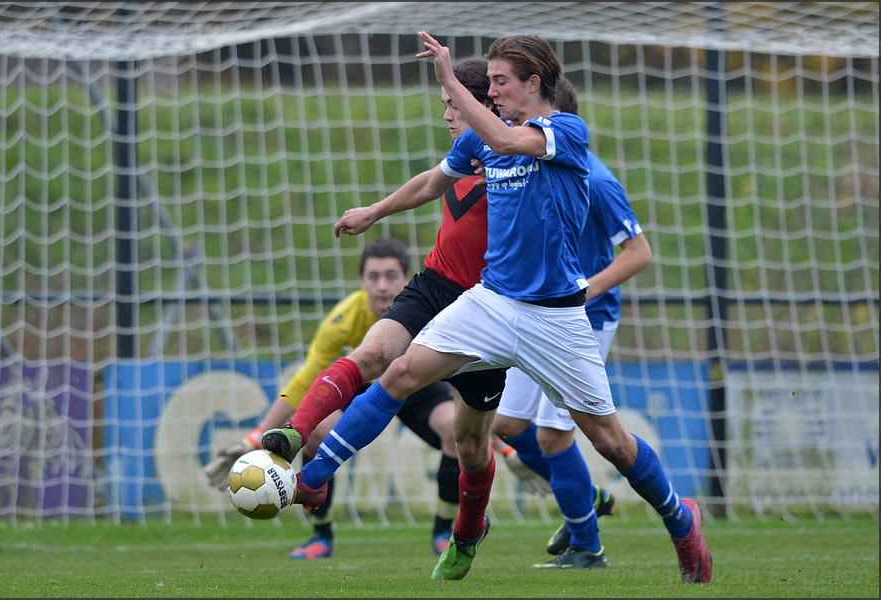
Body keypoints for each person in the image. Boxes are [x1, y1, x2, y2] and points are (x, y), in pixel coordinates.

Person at [289, 32, 712, 584]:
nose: (490, 92)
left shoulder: (565, 131)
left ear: (534, 83)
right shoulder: (485, 138)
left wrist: (448, 79)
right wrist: (375, 211)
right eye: (485, 83)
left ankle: (681, 522)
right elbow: (434, 180)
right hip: (490, 302)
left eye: (499, 82)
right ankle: (316, 474)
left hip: (555, 317)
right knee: (399, 372)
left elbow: (510, 144)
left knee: (609, 442)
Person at [260, 57, 614, 566]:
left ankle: (466, 534)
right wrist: (372, 212)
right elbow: (429, 183)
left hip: (489, 311)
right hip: (435, 285)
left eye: (453, 105)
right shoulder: (467, 152)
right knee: (376, 355)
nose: (447, 115)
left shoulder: (527, 161)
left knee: (472, 443)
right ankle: (297, 444)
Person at [203, 237, 462, 558]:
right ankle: (321, 536)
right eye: (374, 277)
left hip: (417, 385)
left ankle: (443, 529)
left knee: (454, 428)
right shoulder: (343, 320)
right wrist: (254, 438)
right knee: (317, 431)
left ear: (408, 278)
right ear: (361, 281)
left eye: (391, 276)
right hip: (363, 386)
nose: (382, 286)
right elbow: (305, 381)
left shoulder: (431, 309)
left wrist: (497, 441)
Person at [490, 75, 652, 559]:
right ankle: (586, 498)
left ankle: (588, 544)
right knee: (506, 423)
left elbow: (638, 252)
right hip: (541, 313)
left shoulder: (597, 179)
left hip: (587, 316)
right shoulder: (528, 166)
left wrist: (587, 290)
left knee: (554, 433)